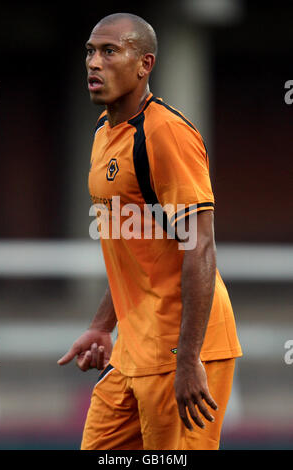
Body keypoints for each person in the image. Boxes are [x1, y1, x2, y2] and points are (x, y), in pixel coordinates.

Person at [58, 12, 242, 450]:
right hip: (132, 350)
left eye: (109, 51)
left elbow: (199, 247)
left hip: (180, 351)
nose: (94, 63)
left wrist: (188, 360)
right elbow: (136, 251)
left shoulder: (166, 135)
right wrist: (103, 324)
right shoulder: (104, 132)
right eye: (89, 51)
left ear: (145, 64)